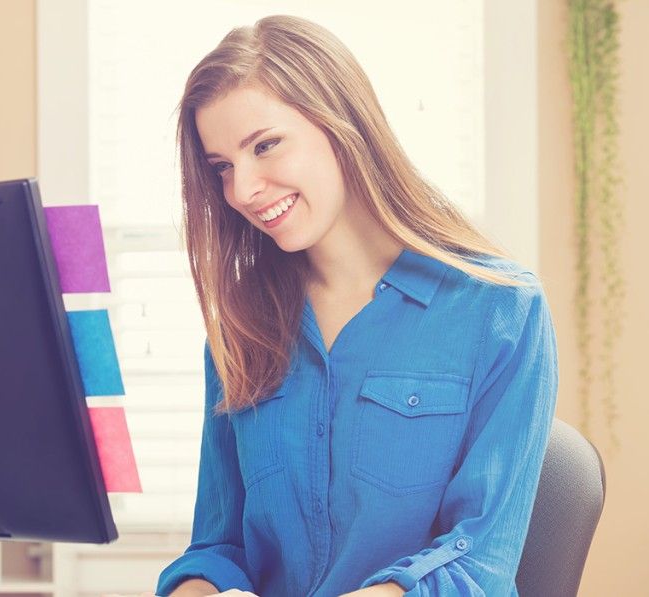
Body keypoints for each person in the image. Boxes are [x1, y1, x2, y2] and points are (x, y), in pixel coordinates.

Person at [112, 14, 558, 597]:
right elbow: (217, 546)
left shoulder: (501, 311)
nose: (242, 190)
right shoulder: (240, 329)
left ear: (342, 125)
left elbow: (480, 564)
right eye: (222, 167)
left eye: (265, 146)